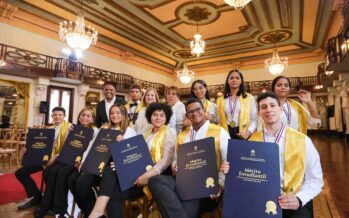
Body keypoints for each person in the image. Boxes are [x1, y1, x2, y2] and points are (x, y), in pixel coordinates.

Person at [221, 92, 323, 218]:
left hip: (291, 200)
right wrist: (230, 170)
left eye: (272, 105)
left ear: (281, 109)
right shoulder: (251, 142)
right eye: (263, 107)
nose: (268, 110)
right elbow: (243, 176)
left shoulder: (302, 141)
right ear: (258, 112)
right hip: (259, 200)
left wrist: (300, 199)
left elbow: (316, 179)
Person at [89, 102, 175, 218]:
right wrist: (121, 164)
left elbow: (166, 161)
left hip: (154, 178)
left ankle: (97, 212)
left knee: (114, 190)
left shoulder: (169, 132)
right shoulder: (147, 133)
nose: (158, 118)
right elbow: (136, 155)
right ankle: (98, 211)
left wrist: (145, 176)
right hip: (139, 171)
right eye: (155, 115)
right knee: (111, 174)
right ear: (150, 116)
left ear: (167, 117)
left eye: (161, 115)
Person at [148, 98, 230, 218]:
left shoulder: (219, 132)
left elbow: (227, 162)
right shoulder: (182, 136)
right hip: (185, 183)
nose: (195, 113)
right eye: (190, 111)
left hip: (206, 190)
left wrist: (219, 186)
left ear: (204, 110)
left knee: (180, 203)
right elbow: (176, 160)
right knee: (155, 181)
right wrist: (175, 166)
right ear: (187, 115)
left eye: (198, 109)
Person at [69, 104, 135, 217]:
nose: (115, 115)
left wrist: (122, 142)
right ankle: (92, 211)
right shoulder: (103, 128)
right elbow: (91, 145)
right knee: (80, 183)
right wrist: (84, 161)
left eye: (118, 113)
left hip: (114, 169)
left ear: (124, 115)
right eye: (112, 113)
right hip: (97, 164)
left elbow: (131, 153)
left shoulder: (130, 131)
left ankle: (95, 212)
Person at [34, 108, 97, 217]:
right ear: (79, 116)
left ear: (92, 119)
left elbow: (92, 150)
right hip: (67, 157)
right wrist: (58, 155)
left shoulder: (95, 131)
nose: (85, 118)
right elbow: (66, 145)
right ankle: (47, 204)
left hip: (80, 161)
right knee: (50, 171)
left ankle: (59, 207)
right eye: (83, 115)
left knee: (62, 173)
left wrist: (82, 161)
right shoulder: (73, 128)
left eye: (88, 116)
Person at [15, 107, 71, 210]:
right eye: (54, 114)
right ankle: (36, 197)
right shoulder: (49, 129)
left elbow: (68, 148)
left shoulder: (69, 128)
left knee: (48, 173)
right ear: (51, 116)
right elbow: (41, 146)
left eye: (60, 114)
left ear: (64, 116)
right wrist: (27, 151)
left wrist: (55, 157)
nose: (57, 117)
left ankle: (49, 201)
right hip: (44, 160)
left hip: (59, 160)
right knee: (20, 173)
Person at [217, 70, 257, 139]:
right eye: (231, 78)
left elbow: (254, 119)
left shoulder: (249, 97)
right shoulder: (221, 99)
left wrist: (248, 132)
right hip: (226, 132)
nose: (234, 80)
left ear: (241, 81)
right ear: (228, 81)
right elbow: (219, 120)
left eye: (237, 78)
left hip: (243, 132)